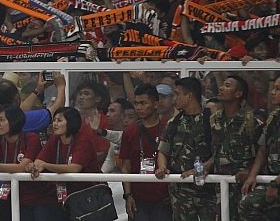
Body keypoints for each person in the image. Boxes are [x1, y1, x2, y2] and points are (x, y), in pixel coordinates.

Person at [0, 105, 50, 221]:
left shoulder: (32, 138)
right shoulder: (0, 140)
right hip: (8, 194)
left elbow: (22, 167)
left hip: (34, 196)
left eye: (2, 120)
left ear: (14, 121)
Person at [156, 77, 217, 221]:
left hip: (207, 190)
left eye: (177, 94)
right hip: (180, 191)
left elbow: (220, 152)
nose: (174, 99)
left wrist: (202, 168)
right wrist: (162, 167)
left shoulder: (211, 121)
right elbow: (163, 151)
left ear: (189, 96)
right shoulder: (173, 123)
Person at [30, 107, 108, 216]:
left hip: (86, 197)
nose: (55, 124)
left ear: (71, 122)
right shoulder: (54, 139)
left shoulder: (83, 140)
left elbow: (74, 168)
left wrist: (45, 165)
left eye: (59, 120)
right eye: (54, 120)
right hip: (63, 195)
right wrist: (34, 167)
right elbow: (39, 161)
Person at [118, 84, 171, 221]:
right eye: (136, 103)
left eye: (143, 103)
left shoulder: (168, 127)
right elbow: (125, 166)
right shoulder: (129, 131)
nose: (138, 107)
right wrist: (128, 195)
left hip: (164, 198)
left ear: (155, 104)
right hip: (138, 199)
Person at [211, 75, 259, 221]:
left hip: (244, 186)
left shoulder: (251, 120)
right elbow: (215, 151)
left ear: (238, 94)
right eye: (222, 85)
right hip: (219, 185)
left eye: (227, 85)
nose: (221, 88)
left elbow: (262, 152)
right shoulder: (214, 119)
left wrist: (250, 171)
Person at [239, 78, 280, 220]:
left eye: (278, 89)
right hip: (271, 178)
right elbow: (263, 149)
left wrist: (276, 183)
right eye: (273, 88)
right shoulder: (274, 117)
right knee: (247, 203)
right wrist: (252, 176)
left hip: (277, 182)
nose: (273, 93)